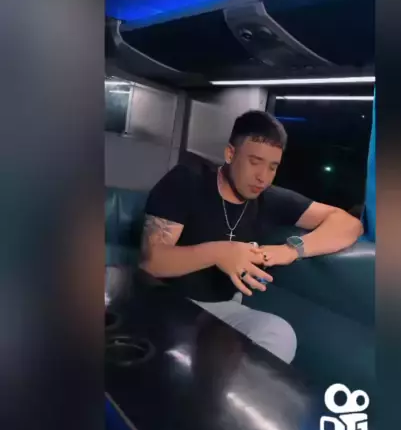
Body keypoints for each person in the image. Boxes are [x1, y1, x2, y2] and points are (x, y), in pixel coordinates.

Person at [140, 111, 363, 364]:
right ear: (230, 154)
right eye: (255, 162)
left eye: (272, 167)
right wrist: (219, 252)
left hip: (223, 310)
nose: (263, 177)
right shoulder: (187, 180)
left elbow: (349, 224)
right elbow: (152, 261)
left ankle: (231, 389)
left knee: (279, 333)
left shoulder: (269, 198)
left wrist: (291, 250)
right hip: (169, 300)